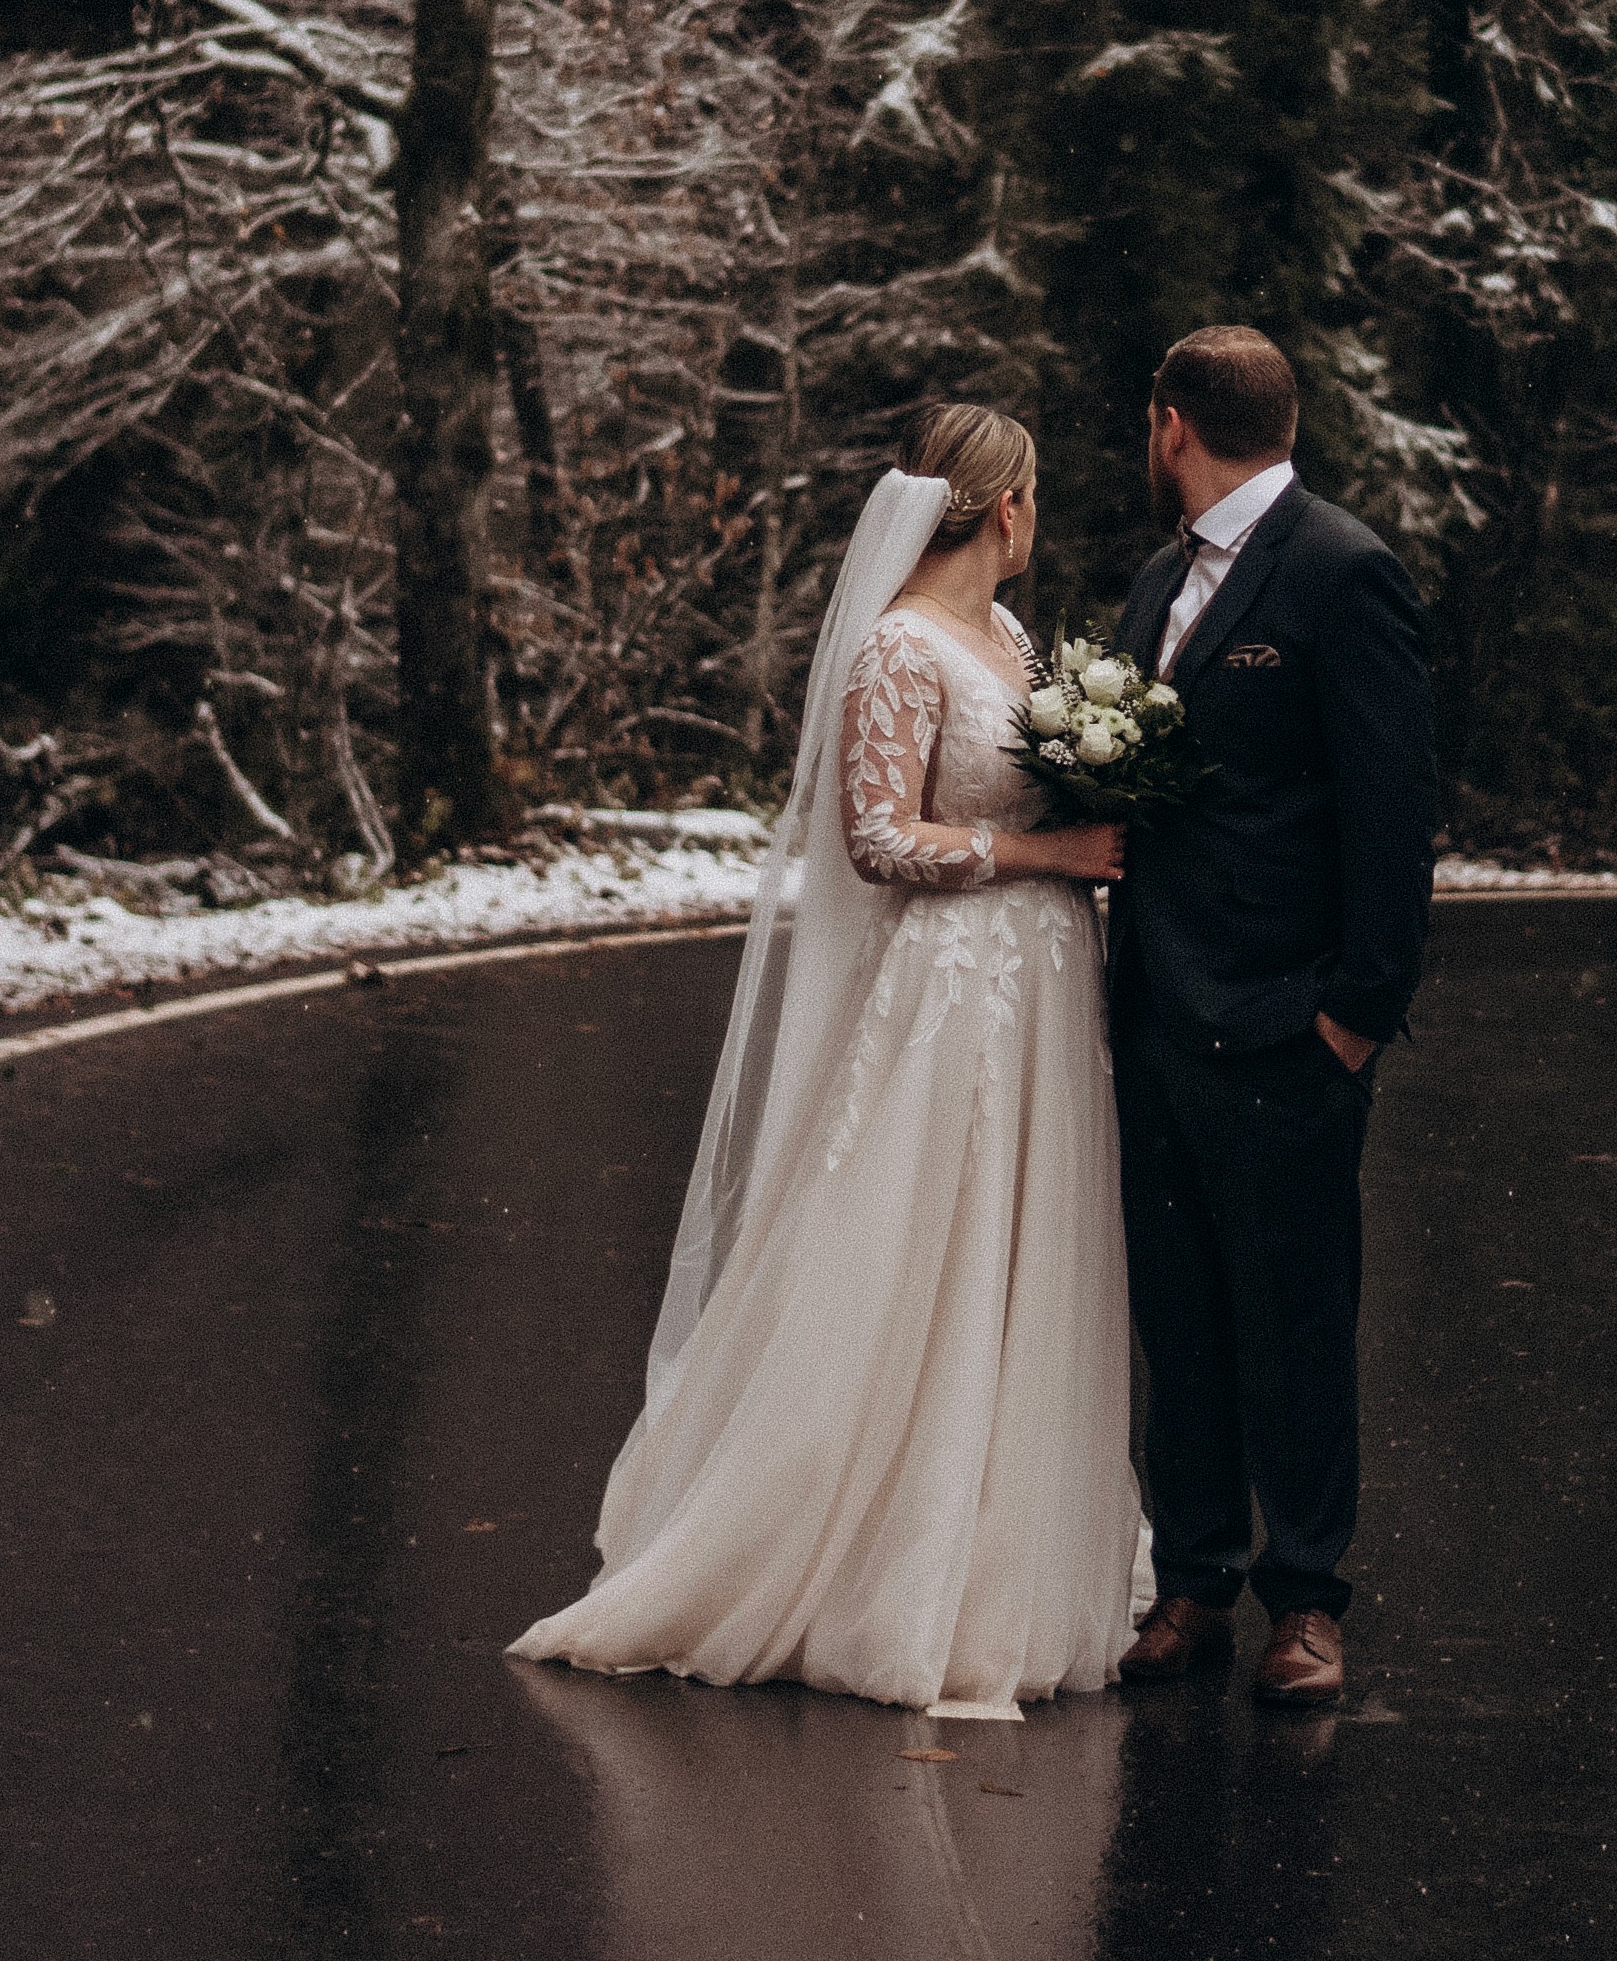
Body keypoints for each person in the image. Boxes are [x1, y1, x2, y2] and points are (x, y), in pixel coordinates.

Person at [511, 403, 1146, 1715]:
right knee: (932, 1251)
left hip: (1041, 993)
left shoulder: (1015, 640)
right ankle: (867, 1554)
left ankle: (999, 1539)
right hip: (954, 996)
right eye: (1034, 492)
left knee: (1024, 1256)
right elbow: (875, 839)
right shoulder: (899, 649)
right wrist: (1050, 855)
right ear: (1004, 505)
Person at [1105, 326, 1439, 1709]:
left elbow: (1393, 813)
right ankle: (1193, 1581)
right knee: (1176, 1317)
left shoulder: (1342, 571)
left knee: (1295, 1319)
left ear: (1171, 423)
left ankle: (1307, 1600)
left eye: (1152, 425)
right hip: (1155, 1022)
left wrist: (1355, 1017)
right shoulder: (1151, 591)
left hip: (1288, 1028)